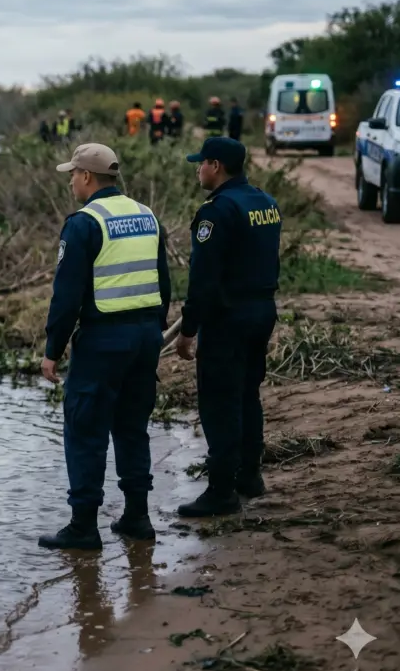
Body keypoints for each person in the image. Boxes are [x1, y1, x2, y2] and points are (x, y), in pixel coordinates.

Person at [38, 143, 172, 550]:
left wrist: (52, 349)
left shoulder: (84, 223)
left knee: (85, 431)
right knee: (132, 428)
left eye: (72, 174)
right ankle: (137, 517)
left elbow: (66, 297)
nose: (70, 181)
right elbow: (163, 284)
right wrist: (156, 331)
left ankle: (83, 526)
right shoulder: (147, 216)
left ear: (87, 177)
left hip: (103, 341)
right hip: (145, 336)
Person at [174, 138, 282, 517]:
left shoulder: (215, 212)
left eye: (200, 163)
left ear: (215, 165)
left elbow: (203, 280)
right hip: (261, 311)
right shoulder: (265, 203)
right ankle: (249, 477)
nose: (197, 169)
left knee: (219, 402)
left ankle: (221, 493)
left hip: (228, 318)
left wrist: (188, 330)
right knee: (247, 395)